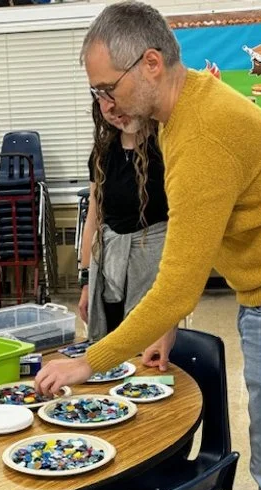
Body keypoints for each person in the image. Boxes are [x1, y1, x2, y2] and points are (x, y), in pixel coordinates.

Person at [35, 0, 261, 490]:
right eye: (94, 92)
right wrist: (173, 321)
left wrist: (90, 359)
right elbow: (197, 243)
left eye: (108, 88)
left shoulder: (198, 128)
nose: (105, 105)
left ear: (151, 63)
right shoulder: (183, 111)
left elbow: (174, 282)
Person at [79, 100, 168, 341]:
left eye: (116, 99)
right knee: (111, 342)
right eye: (103, 102)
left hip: (152, 265)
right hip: (109, 265)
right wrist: (86, 283)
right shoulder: (102, 153)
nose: (111, 110)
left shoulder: (165, 146)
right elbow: (94, 219)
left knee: (146, 343)